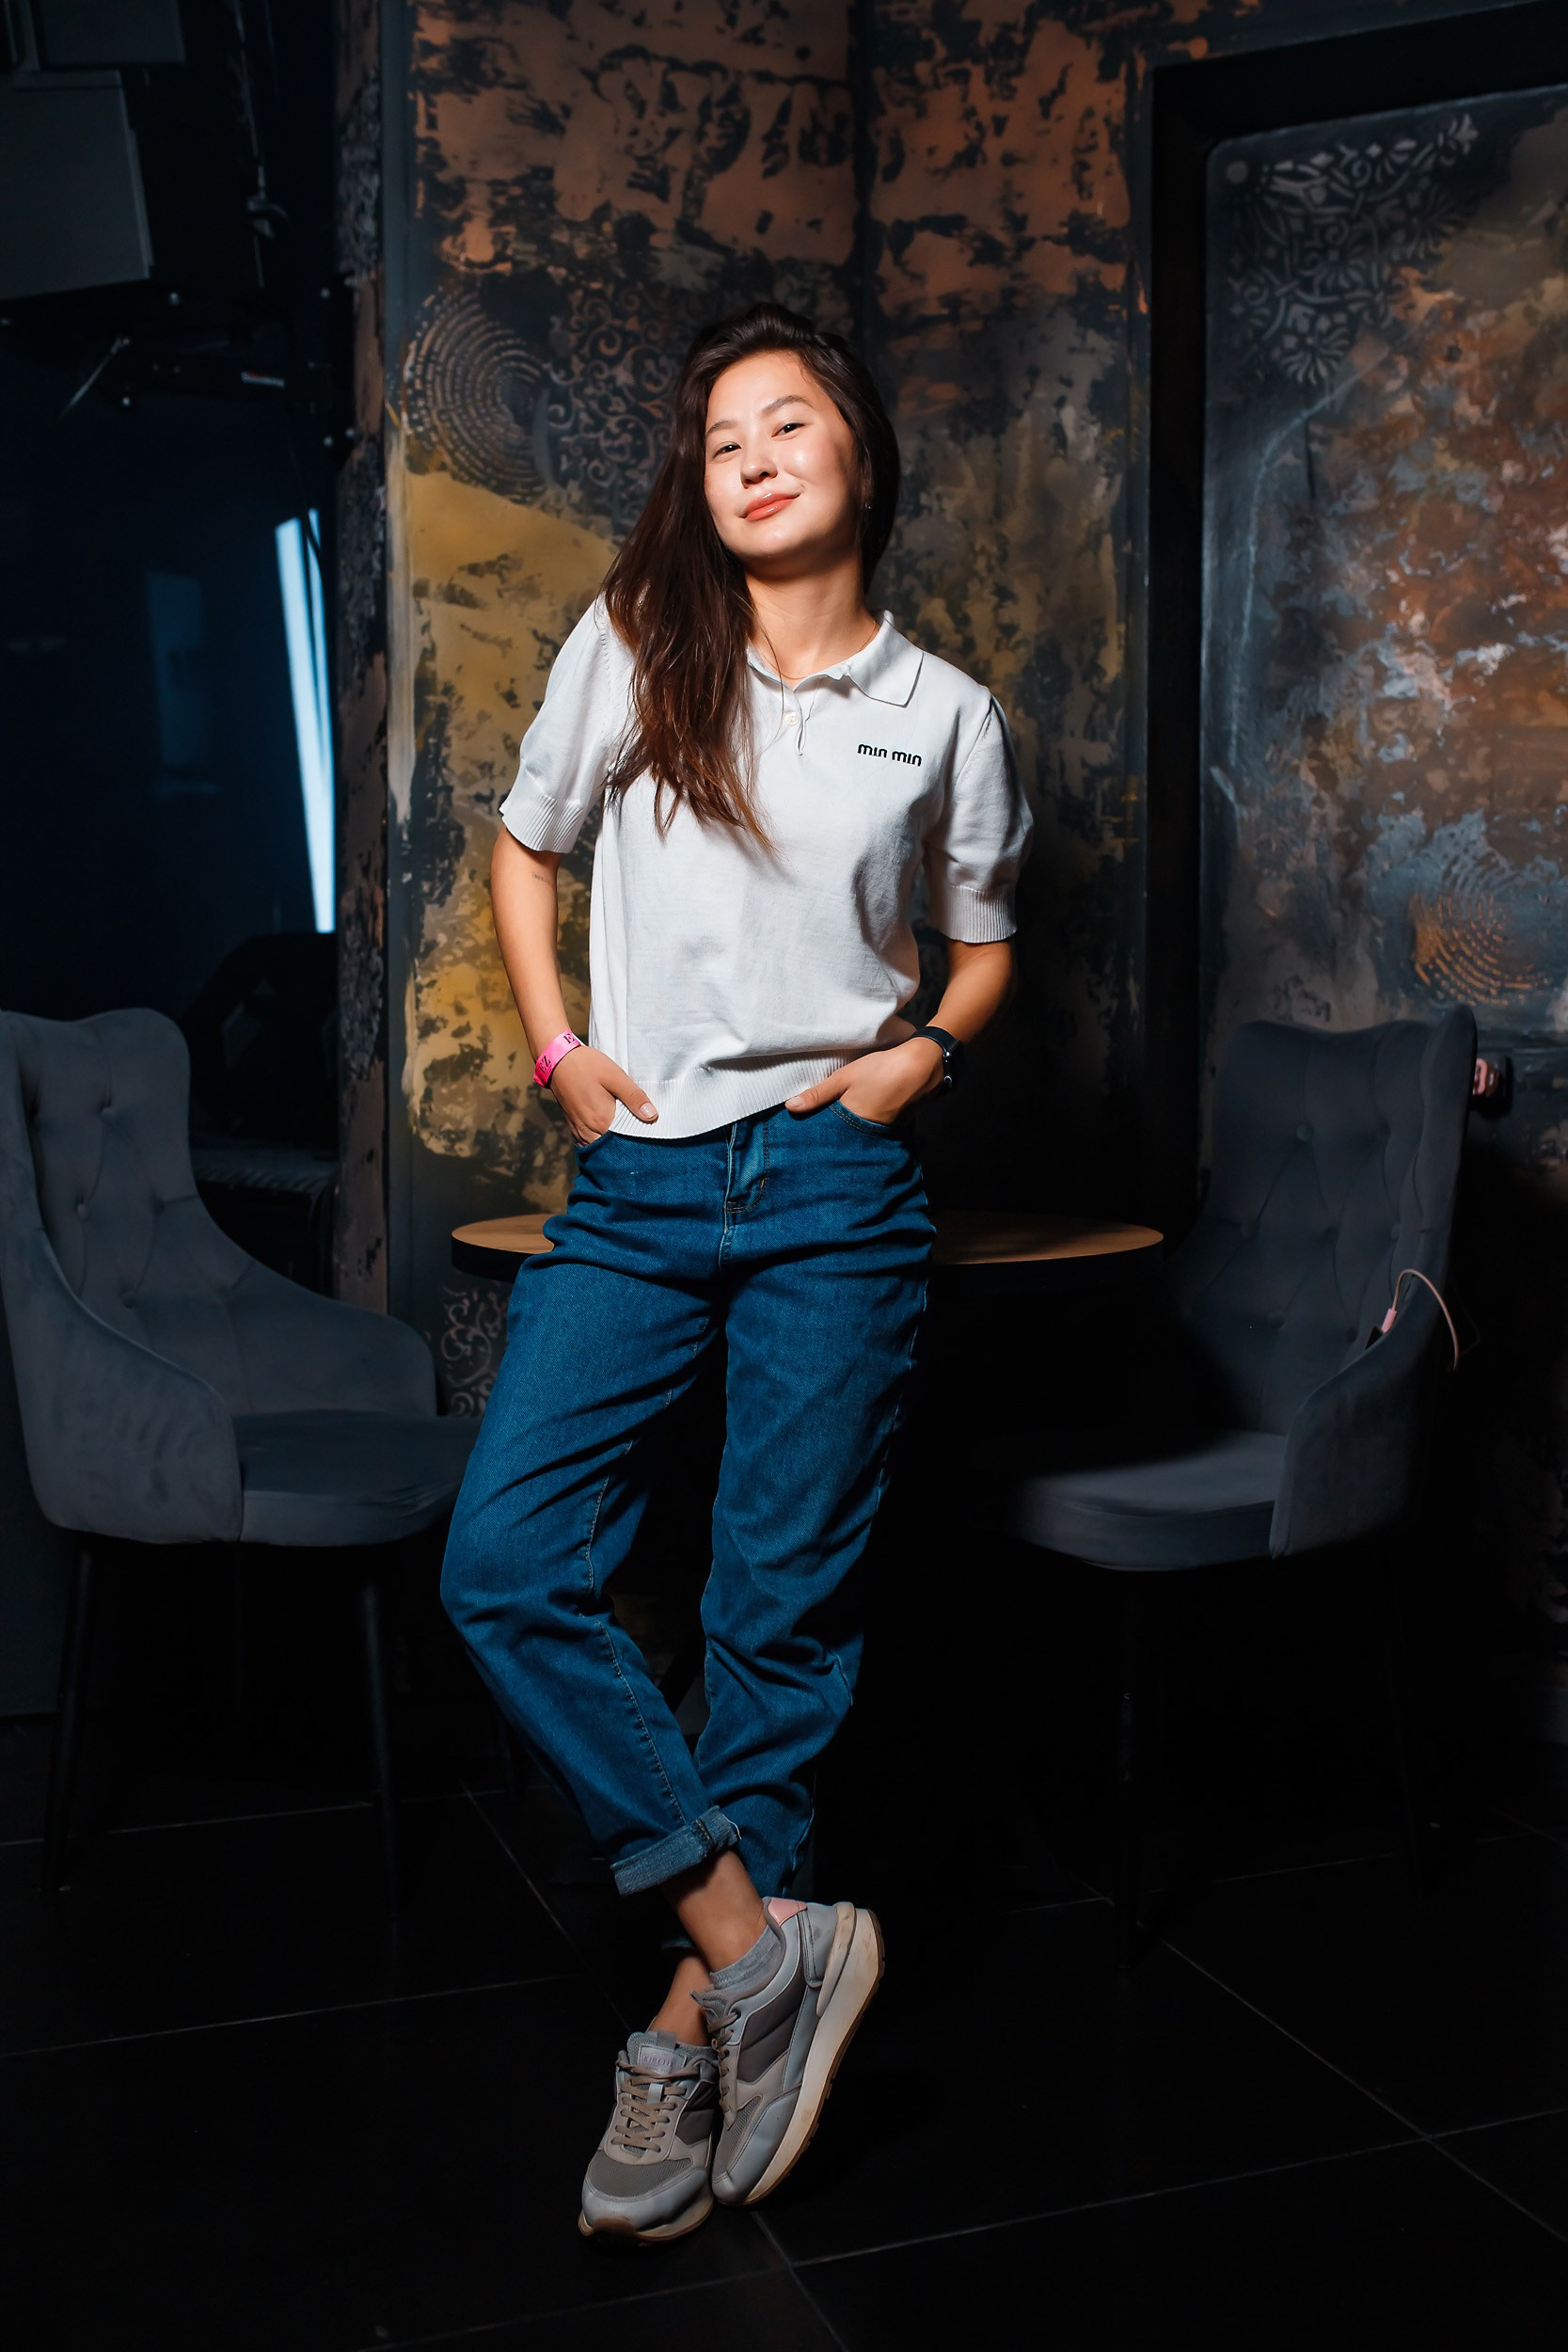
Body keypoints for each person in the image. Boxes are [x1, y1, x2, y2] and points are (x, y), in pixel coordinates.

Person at [441, 302, 1033, 2243]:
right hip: (640, 1176)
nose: (754, 458)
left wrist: (917, 1061)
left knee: (777, 1614)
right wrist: (558, 1051)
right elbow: (524, 850)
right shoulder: (637, 639)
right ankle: (765, 1944)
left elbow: (983, 950)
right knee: (506, 1560)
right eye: (720, 440)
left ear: (859, 451)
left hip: (835, 1184)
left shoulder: (946, 711)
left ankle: (690, 2037)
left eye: (787, 424)